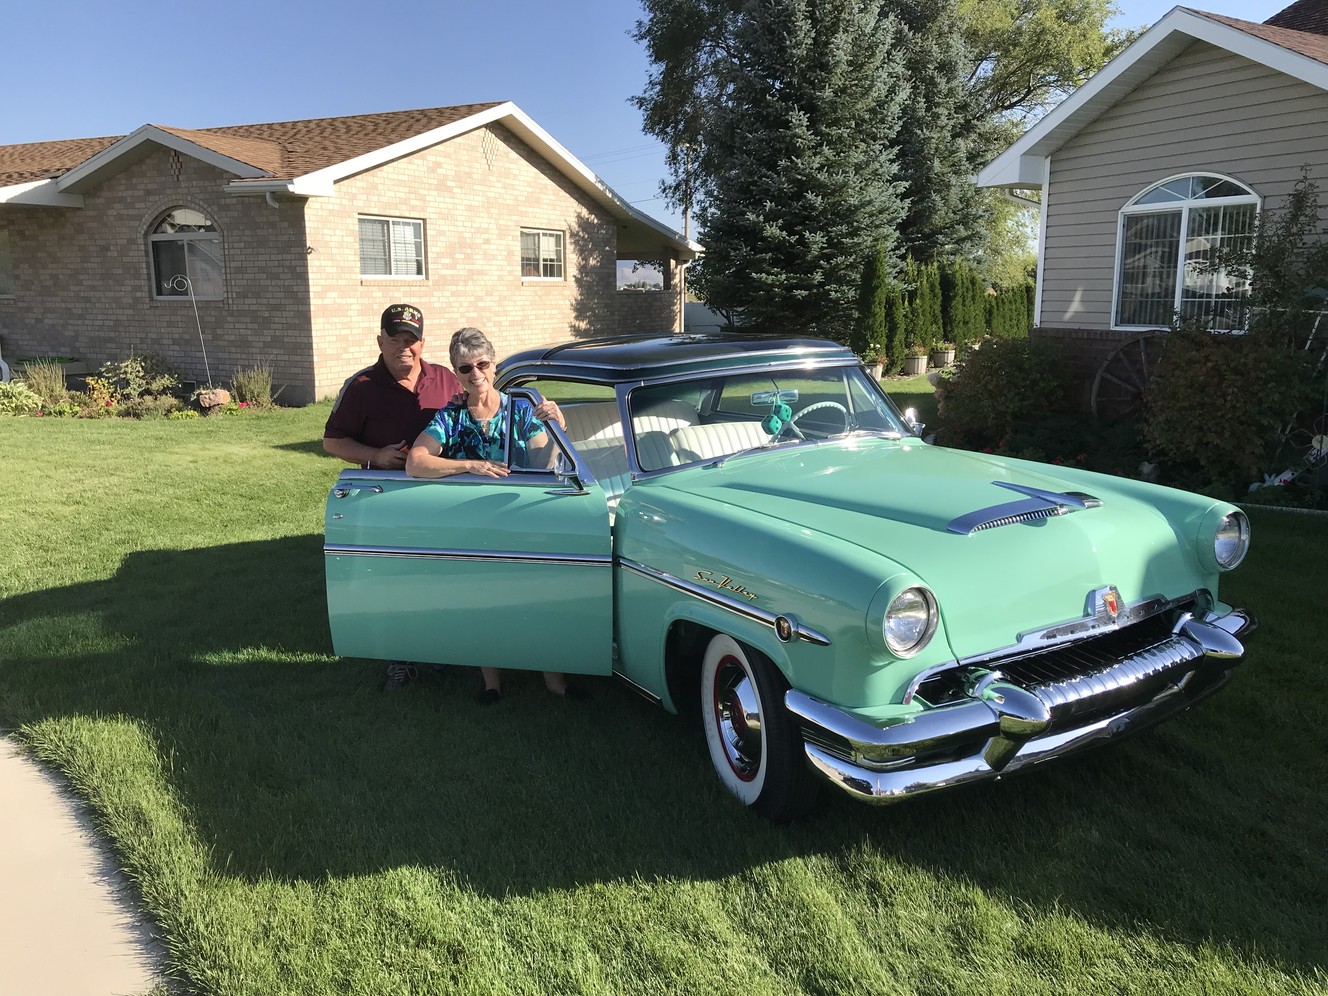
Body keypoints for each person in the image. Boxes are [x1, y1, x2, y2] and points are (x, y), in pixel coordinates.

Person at [406, 327, 587, 704]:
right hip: (473, 520)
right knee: (483, 596)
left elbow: (545, 460)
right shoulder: (451, 416)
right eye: (464, 368)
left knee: (538, 596)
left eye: (482, 364)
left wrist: (558, 427)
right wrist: (468, 465)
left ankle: (554, 680)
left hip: (523, 514)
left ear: (494, 363)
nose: (475, 374)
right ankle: (492, 683)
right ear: (456, 372)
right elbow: (416, 463)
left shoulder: (520, 408)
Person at [323, 303, 462, 691]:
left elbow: (482, 413)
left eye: (411, 339)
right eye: (395, 339)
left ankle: (437, 648)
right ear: (379, 340)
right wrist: (376, 456)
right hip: (386, 496)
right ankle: (399, 658)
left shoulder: (446, 379)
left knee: (438, 572)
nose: (404, 347)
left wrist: (542, 410)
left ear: (422, 342)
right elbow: (332, 441)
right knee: (394, 579)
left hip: (439, 495)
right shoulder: (362, 386)